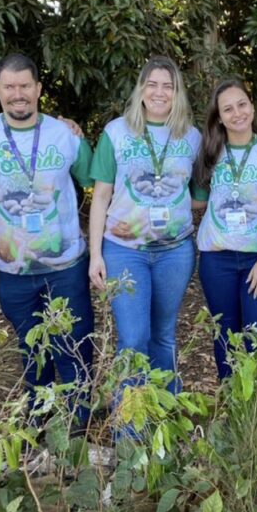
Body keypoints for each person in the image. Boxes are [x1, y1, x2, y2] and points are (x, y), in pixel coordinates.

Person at [0, 53, 94, 420]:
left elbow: (94, 184)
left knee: (73, 348)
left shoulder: (65, 135)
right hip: (13, 271)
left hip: (65, 266)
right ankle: (37, 429)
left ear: (38, 89)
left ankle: (78, 432)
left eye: (25, 86)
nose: (17, 94)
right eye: (9, 86)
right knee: (32, 352)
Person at [87, 56, 200, 389]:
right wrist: (96, 253)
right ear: (141, 90)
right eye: (152, 84)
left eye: (168, 86)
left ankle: (166, 417)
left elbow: (199, 194)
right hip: (125, 250)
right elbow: (101, 196)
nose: (160, 92)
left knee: (163, 335)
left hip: (174, 252)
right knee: (134, 336)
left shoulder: (190, 137)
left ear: (177, 93)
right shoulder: (116, 132)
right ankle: (130, 430)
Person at [192, 79, 257, 380]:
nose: (237, 113)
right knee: (224, 335)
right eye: (228, 108)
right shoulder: (210, 152)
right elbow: (197, 202)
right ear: (219, 117)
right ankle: (230, 407)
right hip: (217, 259)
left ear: (251, 106)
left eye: (242, 104)